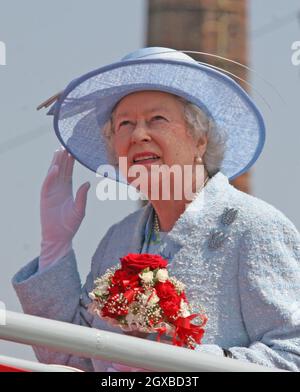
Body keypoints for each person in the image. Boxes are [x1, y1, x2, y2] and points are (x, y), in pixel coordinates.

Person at [12, 47, 300, 372]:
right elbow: (72, 356)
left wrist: (185, 364)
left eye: (157, 120)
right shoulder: (117, 241)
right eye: (124, 124)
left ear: (200, 139)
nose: (138, 135)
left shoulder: (252, 226)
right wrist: (54, 249)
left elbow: (293, 353)